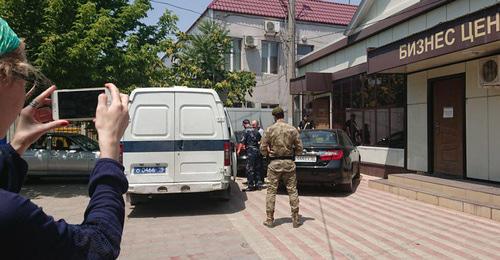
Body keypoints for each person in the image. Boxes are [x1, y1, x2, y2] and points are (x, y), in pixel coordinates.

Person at [0, 18, 130, 259]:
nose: (25, 90)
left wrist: (16, 146)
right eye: (25, 77)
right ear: (5, 77)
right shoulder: (8, 213)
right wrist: (110, 150)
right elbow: (97, 246)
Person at [260, 107, 303, 228]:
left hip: (274, 164)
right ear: (282, 115)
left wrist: (268, 153)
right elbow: (300, 149)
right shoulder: (292, 129)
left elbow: (262, 149)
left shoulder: (269, 129)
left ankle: (269, 219)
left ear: (274, 116)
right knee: (292, 190)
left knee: (271, 191)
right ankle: (295, 218)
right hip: (289, 163)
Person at [237, 119, 262, 191]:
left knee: (250, 168)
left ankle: (250, 186)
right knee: (257, 168)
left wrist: (238, 150)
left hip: (250, 151)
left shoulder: (246, 131)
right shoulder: (256, 131)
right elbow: (260, 140)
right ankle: (258, 185)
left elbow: (242, 142)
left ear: (244, 124)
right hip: (257, 151)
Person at [251, 120, 264, 187]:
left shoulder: (261, 131)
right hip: (255, 151)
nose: (252, 126)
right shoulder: (252, 131)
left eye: (254, 125)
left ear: (257, 125)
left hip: (260, 151)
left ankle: (260, 180)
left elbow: (262, 141)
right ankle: (255, 180)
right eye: (252, 125)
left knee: (259, 167)